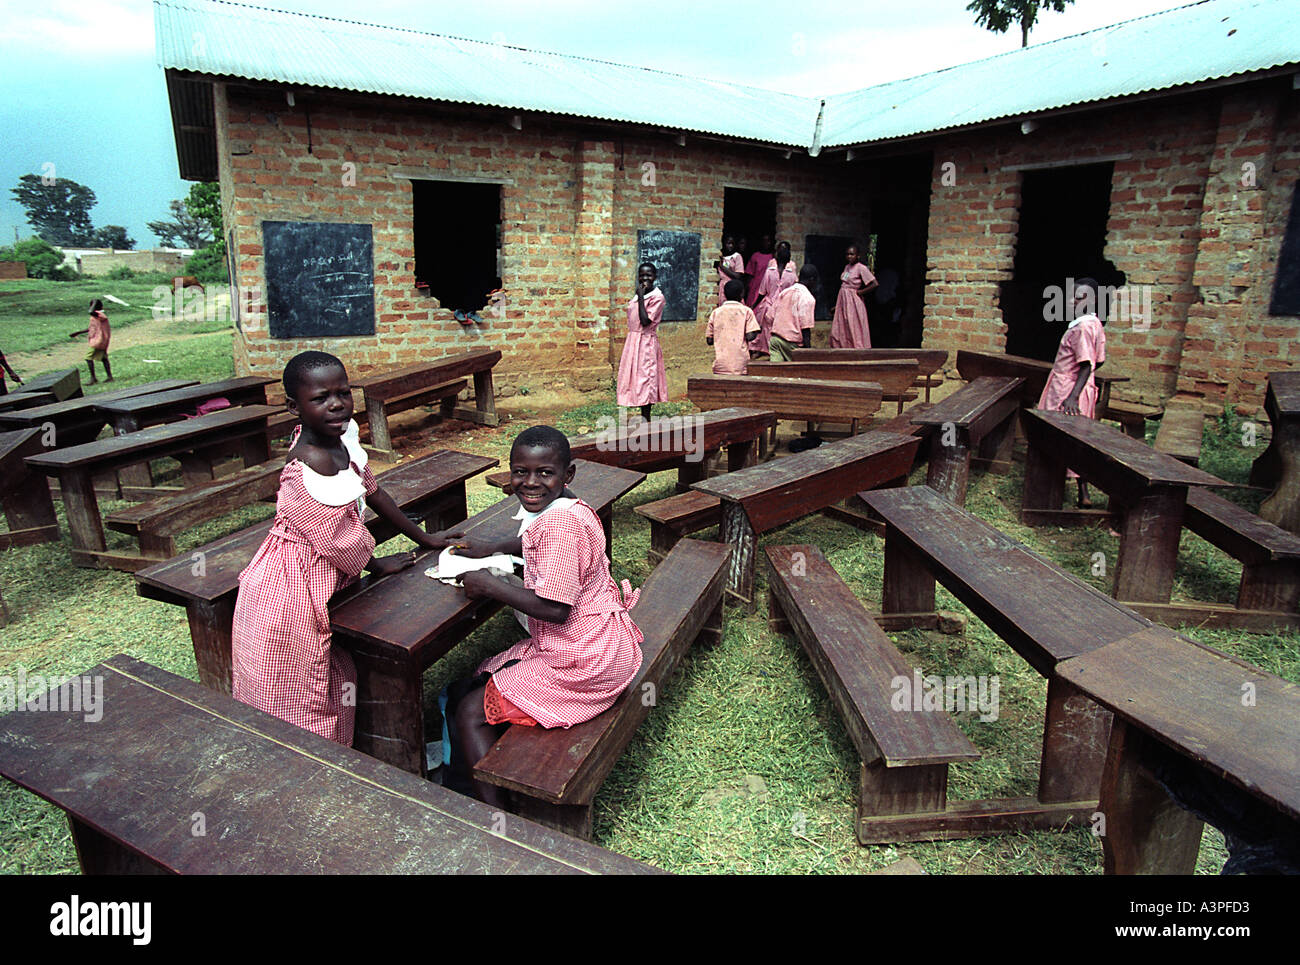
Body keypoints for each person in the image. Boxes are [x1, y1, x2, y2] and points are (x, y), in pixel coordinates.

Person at [231, 351, 463, 745]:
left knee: (331, 672)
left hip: (322, 572)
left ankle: (338, 744)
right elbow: (336, 543)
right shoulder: (305, 469)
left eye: (343, 393)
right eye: (321, 398)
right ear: (294, 408)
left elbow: (374, 492)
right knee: (300, 683)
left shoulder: (342, 441)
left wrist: (425, 538)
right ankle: (310, 756)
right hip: (291, 589)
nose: (336, 404)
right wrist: (375, 564)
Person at [440, 425, 644, 806]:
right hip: (604, 642)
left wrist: (489, 586)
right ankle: (492, 762)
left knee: (470, 711)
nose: (530, 483)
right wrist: (492, 547)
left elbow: (555, 608)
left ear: (567, 475)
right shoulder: (570, 505)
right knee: (491, 669)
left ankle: (495, 815)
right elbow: (533, 539)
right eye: (520, 472)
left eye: (544, 473)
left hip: (586, 659)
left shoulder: (559, 526)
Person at [1038, 277, 1107, 507]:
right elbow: (1099, 361)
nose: (1072, 301)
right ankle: (1083, 493)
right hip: (1080, 387)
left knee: (1057, 436)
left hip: (1067, 390)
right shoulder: (1094, 324)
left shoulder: (1083, 327)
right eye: (1071, 297)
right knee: (1078, 439)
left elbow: (1087, 364)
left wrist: (1072, 396)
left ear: (1093, 300)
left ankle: (1049, 491)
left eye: (1079, 298)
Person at [615, 262, 667, 423]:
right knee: (636, 378)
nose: (645, 278)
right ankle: (642, 415)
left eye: (649, 275)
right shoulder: (640, 294)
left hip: (646, 342)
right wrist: (639, 296)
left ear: (655, 277)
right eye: (642, 275)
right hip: (634, 340)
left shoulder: (657, 297)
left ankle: (647, 417)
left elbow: (645, 321)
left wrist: (640, 297)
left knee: (647, 377)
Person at [751, 240, 797, 357]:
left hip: (779, 305)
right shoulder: (773, 270)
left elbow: (763, 290)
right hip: (774, 304)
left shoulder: (789, 270)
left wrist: (755, 304)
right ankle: (765, 349)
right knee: (767, 327)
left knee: (772, 328)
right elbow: (763, 289)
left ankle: (771, 349)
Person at [706, 279, 760, 374]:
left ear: (725, 295)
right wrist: (758, 330)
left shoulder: (716, 313)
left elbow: (709, 341)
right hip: (740, 364)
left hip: (721, 364)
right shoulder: (746, 311)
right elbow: (750, 336)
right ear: (742, 294)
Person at [768, 264, 819, 361]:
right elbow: (805, 328)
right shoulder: (807, 298)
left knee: (775, 372)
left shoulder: (784, 292)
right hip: (792, 343)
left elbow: (770, 316)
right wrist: (808, 352)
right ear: (812, 280)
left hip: (776, 339)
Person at [831, 245, 878, 349]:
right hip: (843, 299)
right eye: (847, 254)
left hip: (853, 301)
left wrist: (861, 292)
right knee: (842, 325)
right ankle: (843, 347)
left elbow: (874, 284)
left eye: (852, 254)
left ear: (858, 256)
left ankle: (857, 348)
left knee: (854, 324)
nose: (849, 256)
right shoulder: (847, 267)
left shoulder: (861, 268)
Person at [69, 299, 112, 384]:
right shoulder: (95, 316)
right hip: (101, 340)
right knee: (104, 358)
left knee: (88, 358)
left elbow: (91, 311)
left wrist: (95, 302)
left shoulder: (100, 315)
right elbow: (92, 328)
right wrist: (78, 332)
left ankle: (93, 378)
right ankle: (109, 377)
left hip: (99, 340)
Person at [714, 235, 746, 308]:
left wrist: (721, 266)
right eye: (728, 243)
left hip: (733, 287)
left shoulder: (737, 256)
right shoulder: (721, 257)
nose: (730, 246)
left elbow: (737, 276)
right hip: (722, 287)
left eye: (732, 244)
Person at [744, 233, 774, 309]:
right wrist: (747, 289)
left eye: (768, 241)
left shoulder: (773, 257)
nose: (766, 243)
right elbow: (749, 274)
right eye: (764, 241)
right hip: (755, 288)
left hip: (767, 288)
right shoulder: (755, 256)